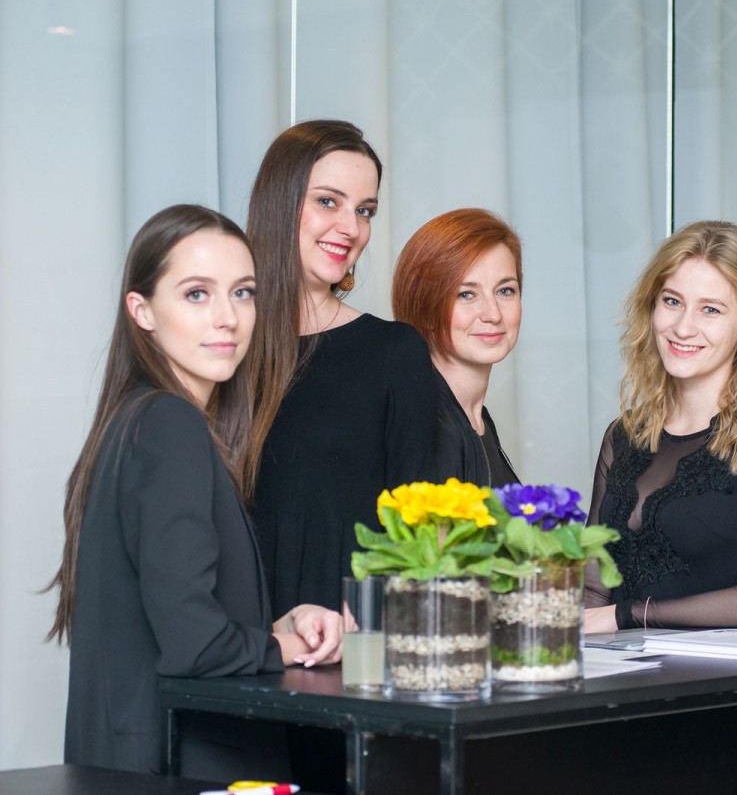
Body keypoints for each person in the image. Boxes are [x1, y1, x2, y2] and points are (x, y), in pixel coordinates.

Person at [46, 205, 342, 778]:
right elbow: (195, 646)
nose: (227, 318)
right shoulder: (168, 424)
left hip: (133, 762)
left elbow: (173, 623)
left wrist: (275, 630)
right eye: (197, 294)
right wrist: (290, 648)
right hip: (181, 764)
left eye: (243, 292)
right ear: (142, 311)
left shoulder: (134, 422)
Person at [246, 120, 438, 617]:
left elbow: (419, 537)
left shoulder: (393, 353)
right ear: (280, 202)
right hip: (229, 639)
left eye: (364, 210)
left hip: (347, 642)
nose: (352, 228)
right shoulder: (222, 348)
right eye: (328, 201)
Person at [584, 220, 737, 632]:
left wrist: (628, 615)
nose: (683, 327)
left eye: (711, 309)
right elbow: (593, 591)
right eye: (672, 301)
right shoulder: (623, 435)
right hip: (614, 666)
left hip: (717, 670)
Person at [391, 208, 521, 486]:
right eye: (466, 294)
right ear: (425, 309)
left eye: (505, 291)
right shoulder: (429, 429)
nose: (493, 314)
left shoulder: (476, 419)